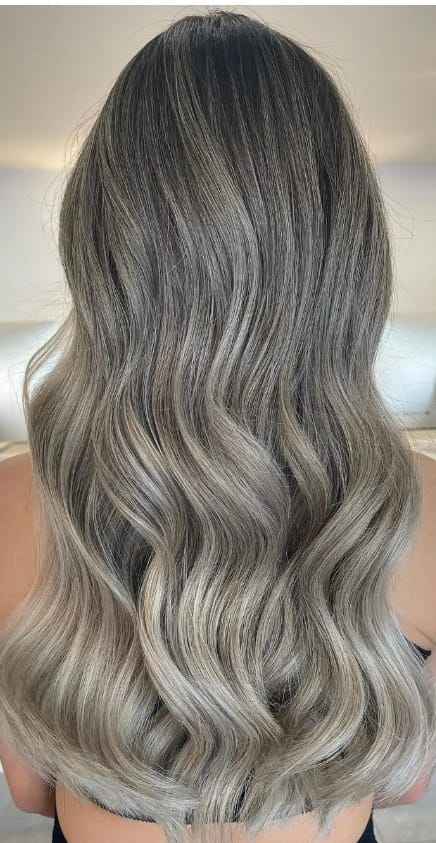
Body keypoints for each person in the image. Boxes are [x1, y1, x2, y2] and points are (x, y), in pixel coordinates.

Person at [0, 11, 435, 843]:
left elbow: (30, 792)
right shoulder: (416, 505)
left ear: (105, 250)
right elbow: (401, 781)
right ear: (345, 252)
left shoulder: (18, 499)